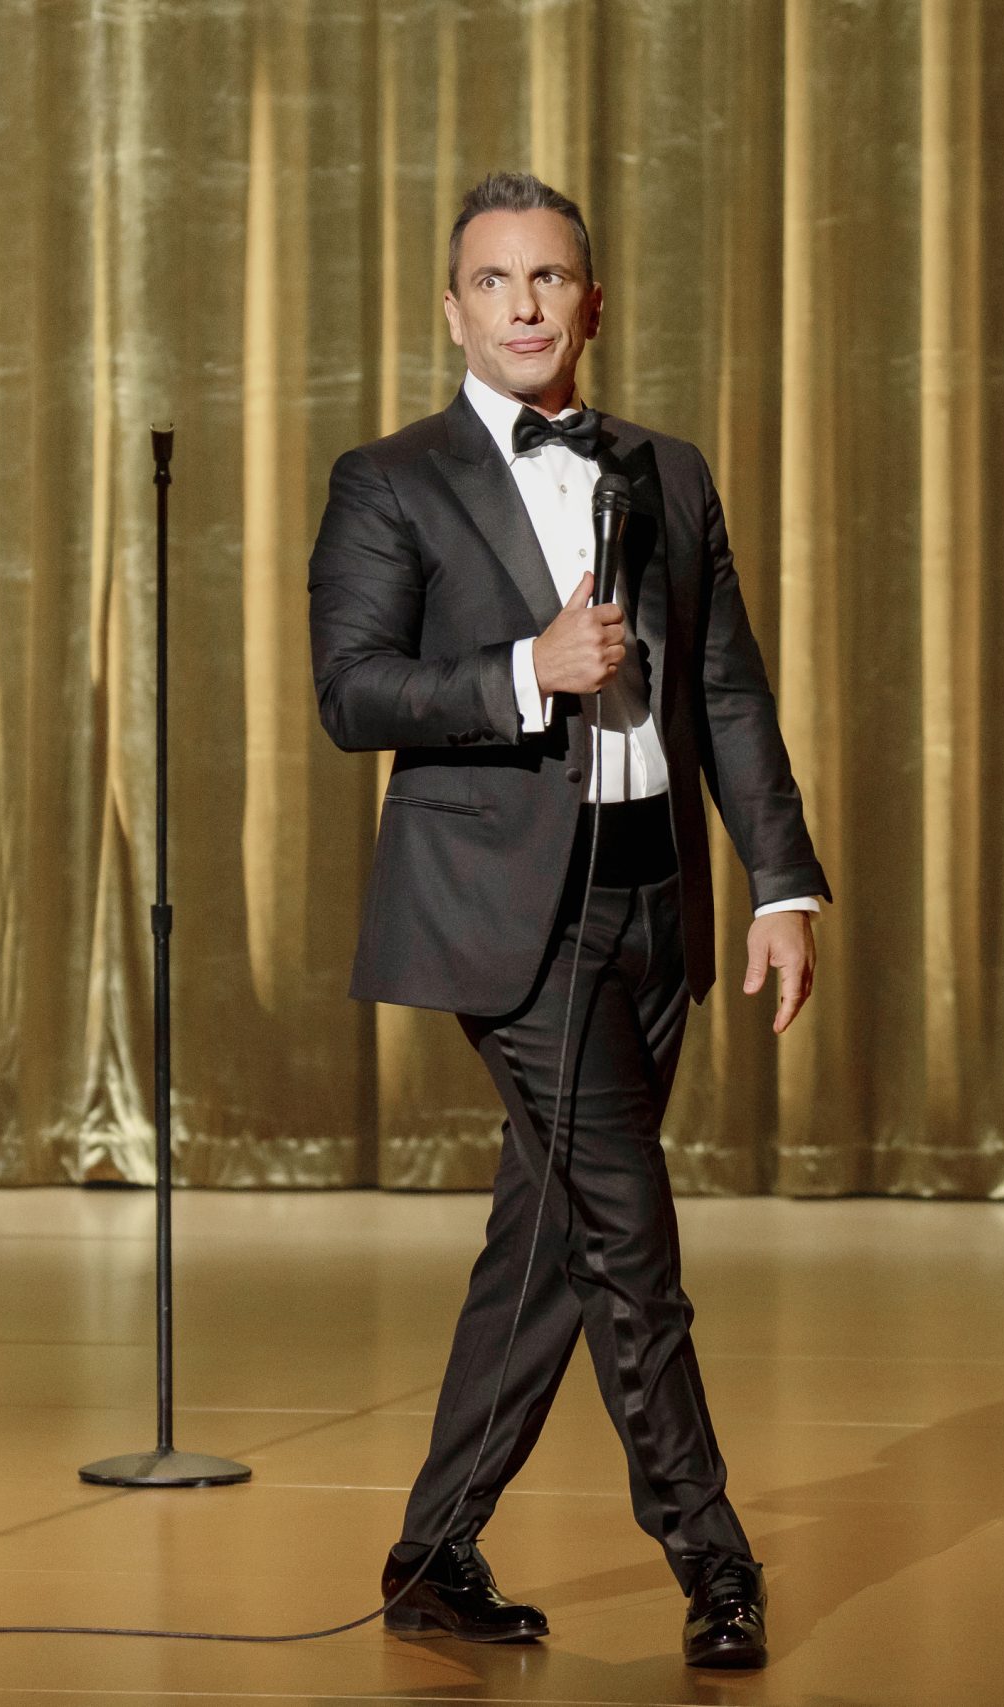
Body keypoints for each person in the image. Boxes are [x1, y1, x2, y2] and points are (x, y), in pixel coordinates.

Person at [307, 170, 829, 1672]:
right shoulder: (390, 481)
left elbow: (727, 689)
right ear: (452, 309)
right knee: (629, 1241)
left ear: (590, 304)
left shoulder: (666, 468)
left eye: (549, 279)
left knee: (546, 1241)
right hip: (510, 919)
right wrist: (524, 670)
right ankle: (712, 1559)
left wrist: (781, 884)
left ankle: (432, 1554)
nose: (523, 305)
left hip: (653, 896)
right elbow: (352, 692)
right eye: (494, 280)